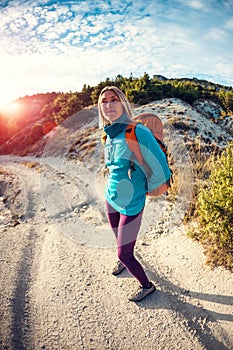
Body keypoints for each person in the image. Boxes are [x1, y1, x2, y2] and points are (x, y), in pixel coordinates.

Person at [98, 86, 171, 302]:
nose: (109, 105)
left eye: (114, 99)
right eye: (104, 101)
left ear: (122, 103)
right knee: (119, 239)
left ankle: (146, 286)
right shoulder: (108, 133)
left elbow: (162, 169)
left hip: (132, 204)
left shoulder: (137, 131)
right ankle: (124, 260)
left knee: (124, 253)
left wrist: (147, 190)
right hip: (111, 198)